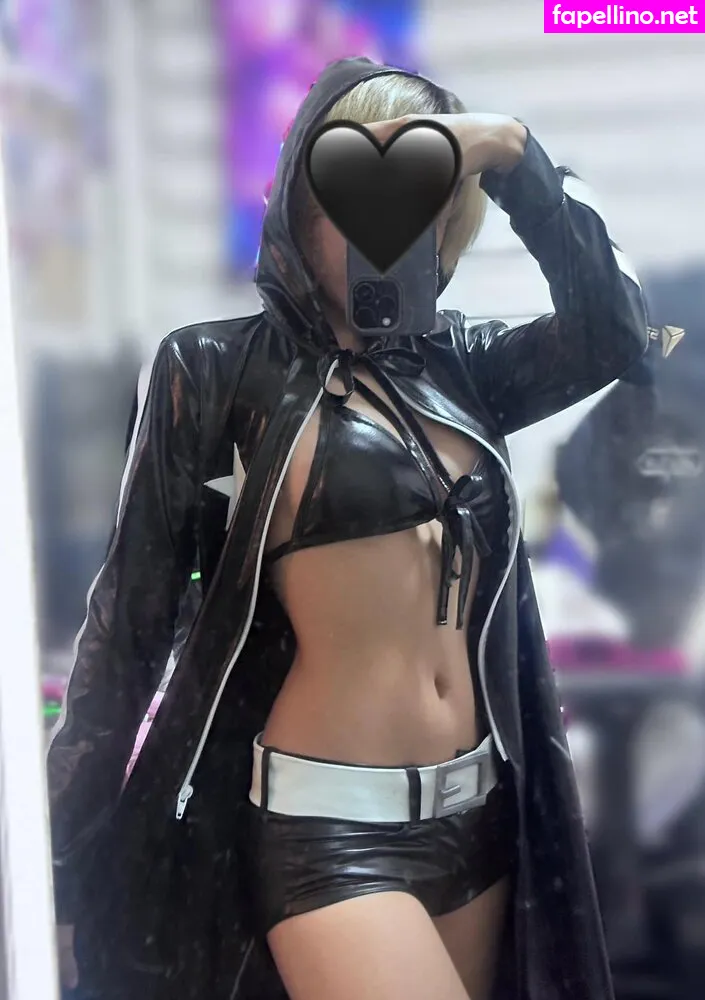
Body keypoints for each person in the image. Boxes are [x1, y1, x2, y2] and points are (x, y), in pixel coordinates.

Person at [47, 57, 648, 1000]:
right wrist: (64, 870)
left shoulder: (463, 365)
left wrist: (515, 156)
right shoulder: (213, 368)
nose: (382, 226)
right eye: (357, 190)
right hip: (327, 828)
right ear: (299, 198)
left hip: (479, 810)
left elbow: (614, 332)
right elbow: (127, 628)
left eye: (417, 199)